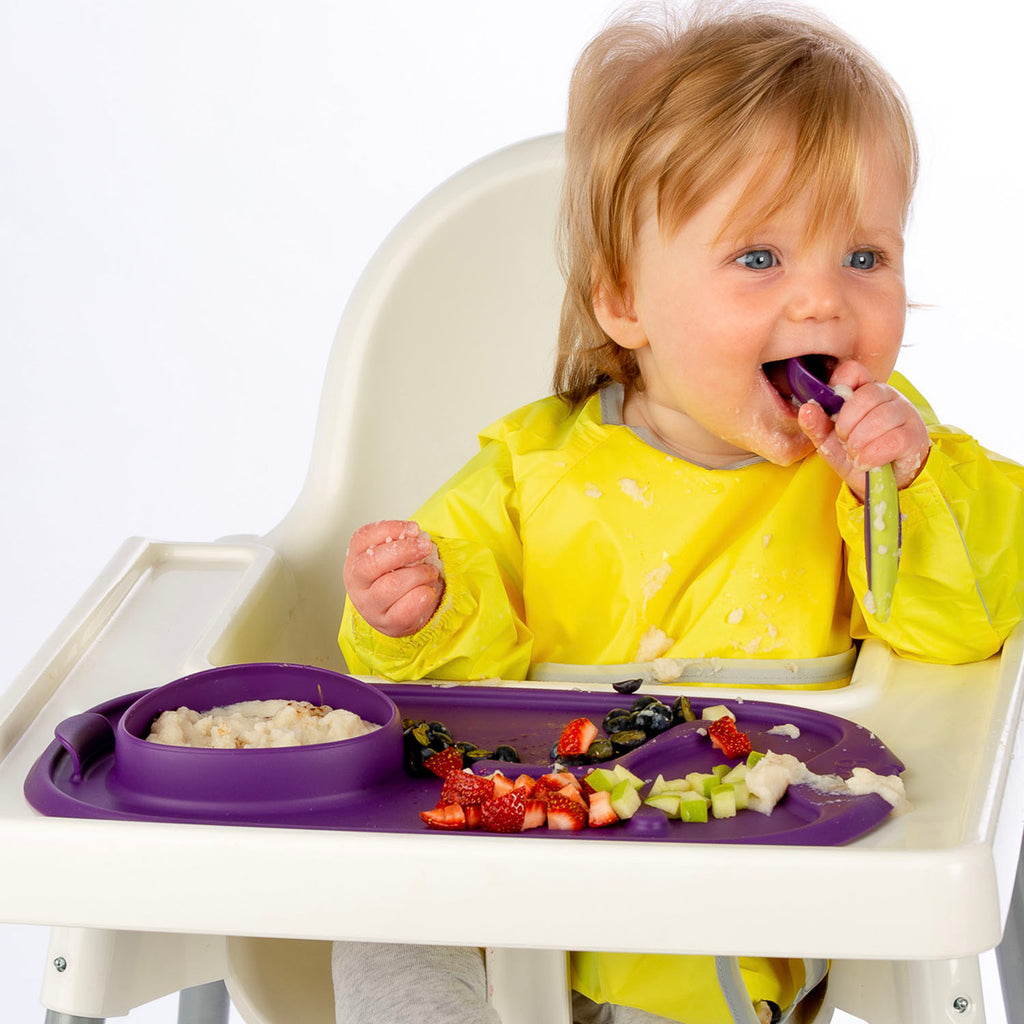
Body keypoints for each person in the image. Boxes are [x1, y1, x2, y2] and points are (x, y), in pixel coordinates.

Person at [333, 2, 1024, 1022]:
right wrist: (417, 606)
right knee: (377, 907)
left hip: (731, 913)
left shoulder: (885, 460)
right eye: (759, 258)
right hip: (519, 897)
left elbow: (963, 618)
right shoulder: (533, 465)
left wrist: (908, 490)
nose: (824, 301)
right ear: (622, 299)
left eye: (864, 256)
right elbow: (446, 687)